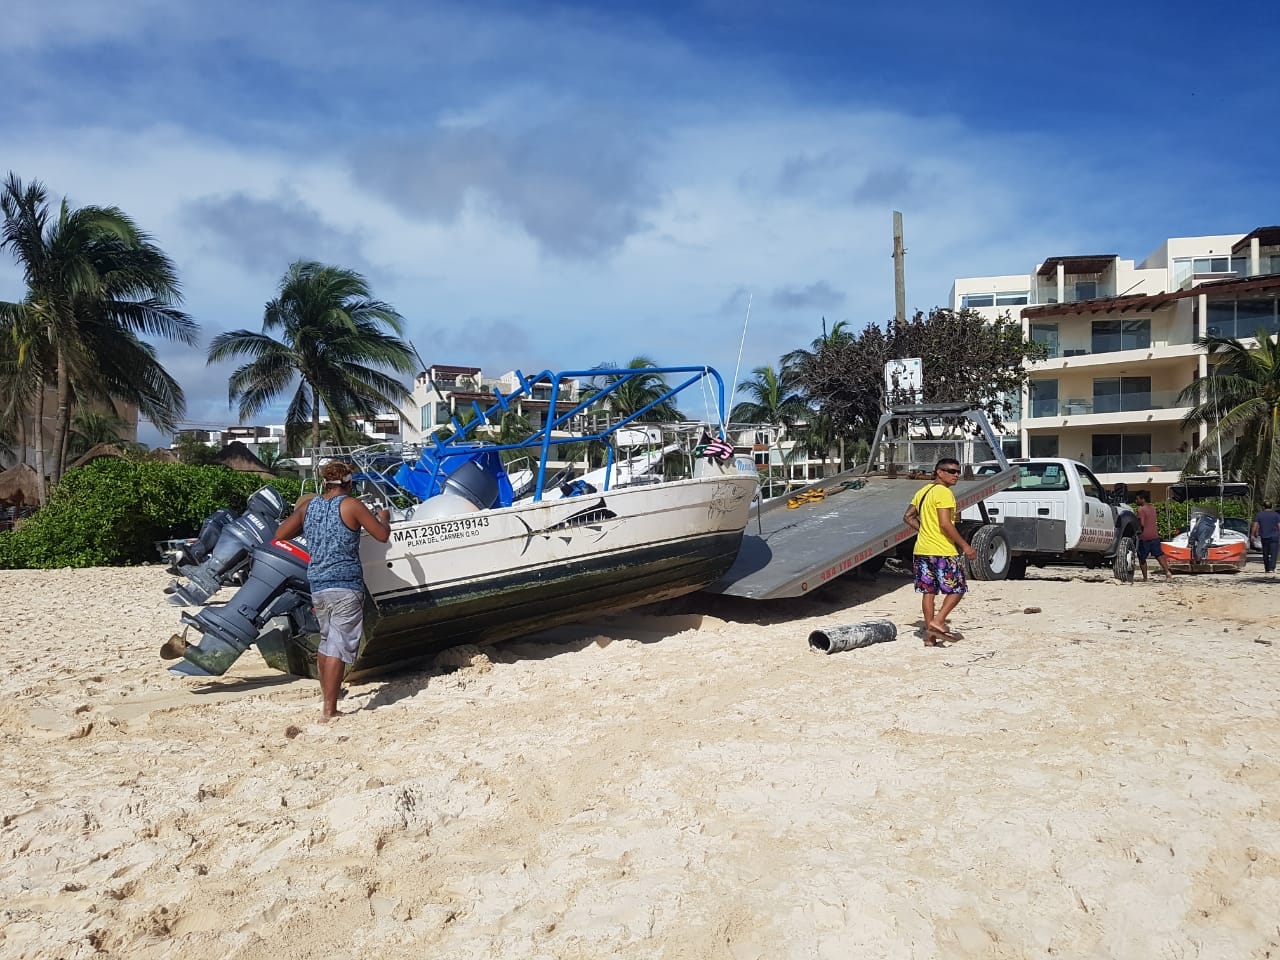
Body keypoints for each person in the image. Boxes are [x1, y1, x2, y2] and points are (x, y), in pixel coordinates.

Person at [275, 460, 391, 721]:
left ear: (325, 482)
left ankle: (330, 695)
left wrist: (312, 533)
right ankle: (330, 709)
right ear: (349, 482)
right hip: (345, 584)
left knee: (327, 641)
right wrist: (384, 518)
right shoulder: (351, 505)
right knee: (338, 645)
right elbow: (381, 536)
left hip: (318, 584)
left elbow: (280, 534)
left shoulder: (309, 507)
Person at [903, 457, 978, 647]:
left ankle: (930, 637)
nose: (956, 475)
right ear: (939, 472)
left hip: (922, 549)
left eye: (957, 471)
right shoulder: (944, 493)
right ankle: (938, 621)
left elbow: (908, 517)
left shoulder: (922, 491)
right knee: (958, 588)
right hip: (941, 550)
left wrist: (924, 530)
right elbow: (945, 524)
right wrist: (965, 545)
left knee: (928, 592)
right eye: (951, 471)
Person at [1133, 492, 1172, 583]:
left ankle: (1145, 578)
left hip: (1144, 536)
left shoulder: (1141, 510)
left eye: (1137, 499)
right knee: (1159, 555)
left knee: (1142, 558)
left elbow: (1141, 524)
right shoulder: (1153, 508)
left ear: (1143, 499)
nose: (1136, 501)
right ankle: (1167, 572)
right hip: (1154, 535)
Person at [1252, 499, 1280, 574]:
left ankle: (1267, 568)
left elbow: (1255, 525)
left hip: (1264, 536)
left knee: (1265, 553)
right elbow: (1279, 525)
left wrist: (1252, 535)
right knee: (1274, 553)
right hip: (1274, 536)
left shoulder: (1259, 515)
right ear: (1271, 506)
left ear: (1263, 507)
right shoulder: (1276, 515)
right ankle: (1272, 568)